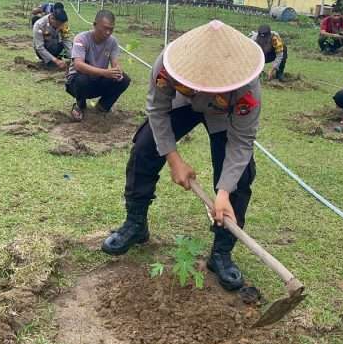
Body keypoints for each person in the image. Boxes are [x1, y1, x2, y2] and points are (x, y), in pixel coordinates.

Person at [101, 20, 264, 292]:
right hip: (184, 103)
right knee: (144, 148)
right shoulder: (167, 65)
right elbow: (157, 110)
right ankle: (136, 224)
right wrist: (173, 158)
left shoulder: (247, 86)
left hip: (224, 115)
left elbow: (242, 141)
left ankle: (221, 253)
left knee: (241, 177)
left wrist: (223, 192)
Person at [65, 10, 130, 121]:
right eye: (105, 28)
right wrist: (105, 72)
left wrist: (117, 72)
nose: (108, 32)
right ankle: (80, 105)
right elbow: (78, 65)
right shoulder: (81, 38)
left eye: (111, 29)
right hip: (76, 83)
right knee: (82, 79)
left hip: (97, 80)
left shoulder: (113, 42)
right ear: (95, 25)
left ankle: (102, 107)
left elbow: (115, 64)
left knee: (124, 80)